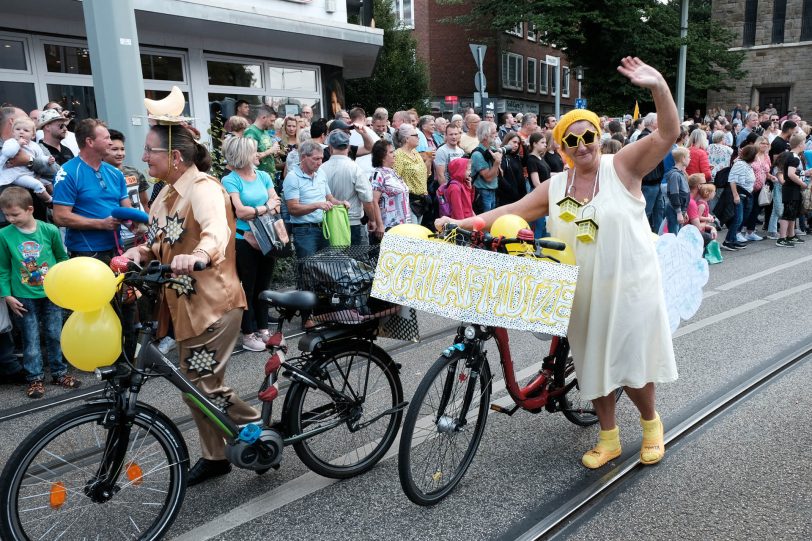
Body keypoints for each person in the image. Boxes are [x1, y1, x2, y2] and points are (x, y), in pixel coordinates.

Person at [436, 57, 679, 469]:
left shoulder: (622, 166)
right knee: (592, 365)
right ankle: (609, 438)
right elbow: (510, 209)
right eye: (572, 139)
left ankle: (651, 424)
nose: (582, 144)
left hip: (630, 284)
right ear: (561, 147)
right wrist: (459, 221)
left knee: (633, 363)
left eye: (589, 135)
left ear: (599, 137)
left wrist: (658, 86)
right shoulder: (557, 183)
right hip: (581, 290)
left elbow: (668, 133)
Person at [123, 121, 257, 486]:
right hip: (182, 305)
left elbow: (218, 232)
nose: (143, 157)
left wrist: (198, 254)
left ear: (175, 156)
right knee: (195, 386)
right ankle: (216, 456)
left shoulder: (203, 188)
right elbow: (157, 244)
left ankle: (255, 433)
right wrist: (139, 251)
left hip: (214, 304)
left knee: (202, 385)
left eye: (150, 150)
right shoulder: (164, 195)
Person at [0, 187, 77, 399]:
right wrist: (7, 295)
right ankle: (34, 378)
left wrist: (63, 284)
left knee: (54, 334)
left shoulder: (49, 230)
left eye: (14, 214)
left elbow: (62, 259)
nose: (10, 219)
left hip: (51, 292)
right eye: (6, 215)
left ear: (30, 209)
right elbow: (3, 268)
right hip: (23, 296)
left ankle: (59, 372)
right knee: (30, 339)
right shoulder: (4, 235)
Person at [221, 136, 281, 352]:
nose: (258, 155)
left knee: (264, 286)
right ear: (243, 155)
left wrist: (256, 210)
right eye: (254, 151)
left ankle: (264, 329)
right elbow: (240, 211)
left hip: (266, 237)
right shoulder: (230, 180)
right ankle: (248, 333)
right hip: (243, 240)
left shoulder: (263, 175)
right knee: (246, 287)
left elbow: (277, 205)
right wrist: (265, 207)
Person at [283, 140, 349, 259]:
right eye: (316, 159)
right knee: (308, 270)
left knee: (327, 270)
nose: (320, 162)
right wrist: (317, 205)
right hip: (304, 231)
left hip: (324, 227)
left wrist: (341, 203)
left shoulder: (321, 173)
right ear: (303, 157)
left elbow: (329, 198)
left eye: (321, 158)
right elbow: (293, 209)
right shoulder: (292, 177)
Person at [319, 130, 376, 246]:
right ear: (348, 147)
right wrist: (372, 219)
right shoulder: (355, 169)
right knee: (353, 261)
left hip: (328, 222)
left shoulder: (321, 169)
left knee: (331, 263)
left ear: (330, 147)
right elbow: (367, 200)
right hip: (352, 222)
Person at [0, 117, 55, 203]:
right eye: (18, 129)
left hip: (29, 173)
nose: (21, 132)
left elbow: (40, 157)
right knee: (37, 185)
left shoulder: (34, 145)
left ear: (33, 135)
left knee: (47, 181)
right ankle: (50, 201)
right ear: (13, 132)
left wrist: (47, 159)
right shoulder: (11, 142)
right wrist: (18, 144)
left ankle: (57, 198)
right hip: (15, 175)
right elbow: (8, 153)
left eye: (26, 130)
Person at [369, 140, 410, 241]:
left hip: (402, 224)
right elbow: (374, 200)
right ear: (382, 156)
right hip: (389, 226)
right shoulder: (378, 174)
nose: (394, 155)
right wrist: (380, 225)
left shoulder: (393, 172)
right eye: (391, 152)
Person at [776, 134, 810, 247]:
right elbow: (790, 174)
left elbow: (793, 172)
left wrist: (805, 173)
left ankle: (791, 235)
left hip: (792, 188)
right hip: (791, 188)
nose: (805, 145)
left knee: (793, 213)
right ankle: (782, 238)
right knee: (788, 213)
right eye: (804, 143)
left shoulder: (793, 156)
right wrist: (803, 184)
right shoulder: (794, 157)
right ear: (800, 144)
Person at [722, 144, 756, 251]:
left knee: (741, 219)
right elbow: (732, 180)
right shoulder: (740, 164)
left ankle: (733, 239)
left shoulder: (746, 164)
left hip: (746, 195)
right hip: (739, 195)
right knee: (738, 219)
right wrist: (736, 195)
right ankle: (727, 241)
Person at [393, 124, 429, 224]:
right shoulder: (398, 155)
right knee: (412, 234)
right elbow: (395, 180)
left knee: (418, 232)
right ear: (407, 139)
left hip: (421, 200)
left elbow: (424, 174)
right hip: (408, 201)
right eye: (415, 135)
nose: (419, 137)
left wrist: (429, 160)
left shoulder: (415, 153)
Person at [106, 130, 150, 212]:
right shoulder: (100, 175)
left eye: (122, 149)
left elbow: (145, 202)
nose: (120, 153)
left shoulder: (134, 172)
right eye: (114, 149)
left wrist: (149, 221)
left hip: (140, 221)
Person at [469, 121, 503, 213]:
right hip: (482, 192)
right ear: (485, 136)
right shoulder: (477, 154)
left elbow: (498, 173)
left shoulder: (491, 150)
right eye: (493, 133)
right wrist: (497, 163)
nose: (496, 135)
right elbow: (488, 177)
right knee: (484, 223)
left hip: (492, 190)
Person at [243, 106, 280, 184]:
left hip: (269, 178)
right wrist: (270, 150)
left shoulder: (265, 131)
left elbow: (266, 151)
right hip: (258, 179)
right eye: (272, 121)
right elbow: (249, 157)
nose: (273, 124)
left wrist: (275, 151)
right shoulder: (251, 132)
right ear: (263, 117)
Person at [663, 147, 691, 234]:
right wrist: (679, 212)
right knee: (674, 235)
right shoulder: (675, 175)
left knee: (679, 234)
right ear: (683, 158)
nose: (690, 159)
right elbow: (674, 194)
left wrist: (684, 211)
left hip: (680, 209)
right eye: (688, 157)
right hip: (674, 209)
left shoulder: (681, 174)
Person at [497, 131, 526, 206]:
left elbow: (527, 161)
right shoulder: (502, 157)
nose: (516, 145)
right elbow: (500, 177)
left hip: (519, 198)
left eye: (518, 143)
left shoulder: (517, 157)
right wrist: (511, 190)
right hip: (507, 199)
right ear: (507, 141)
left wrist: (525, 146)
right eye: (514, 142)